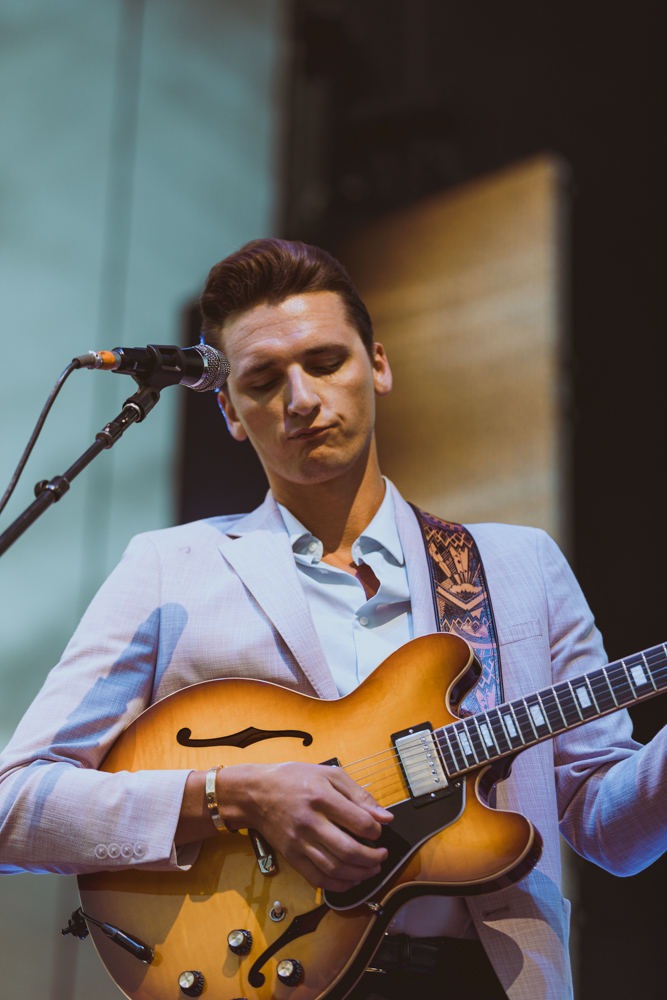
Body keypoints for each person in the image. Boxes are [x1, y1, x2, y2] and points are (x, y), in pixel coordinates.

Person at [0, 239, 665, 1000]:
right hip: (258, 975)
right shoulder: (169, 567)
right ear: (230, 410)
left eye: (324, 362)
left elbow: (609, 831)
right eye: (263, 380)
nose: (302, 399)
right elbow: (14, 805)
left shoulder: (520, 566)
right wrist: (231, 794)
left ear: (376, 365)